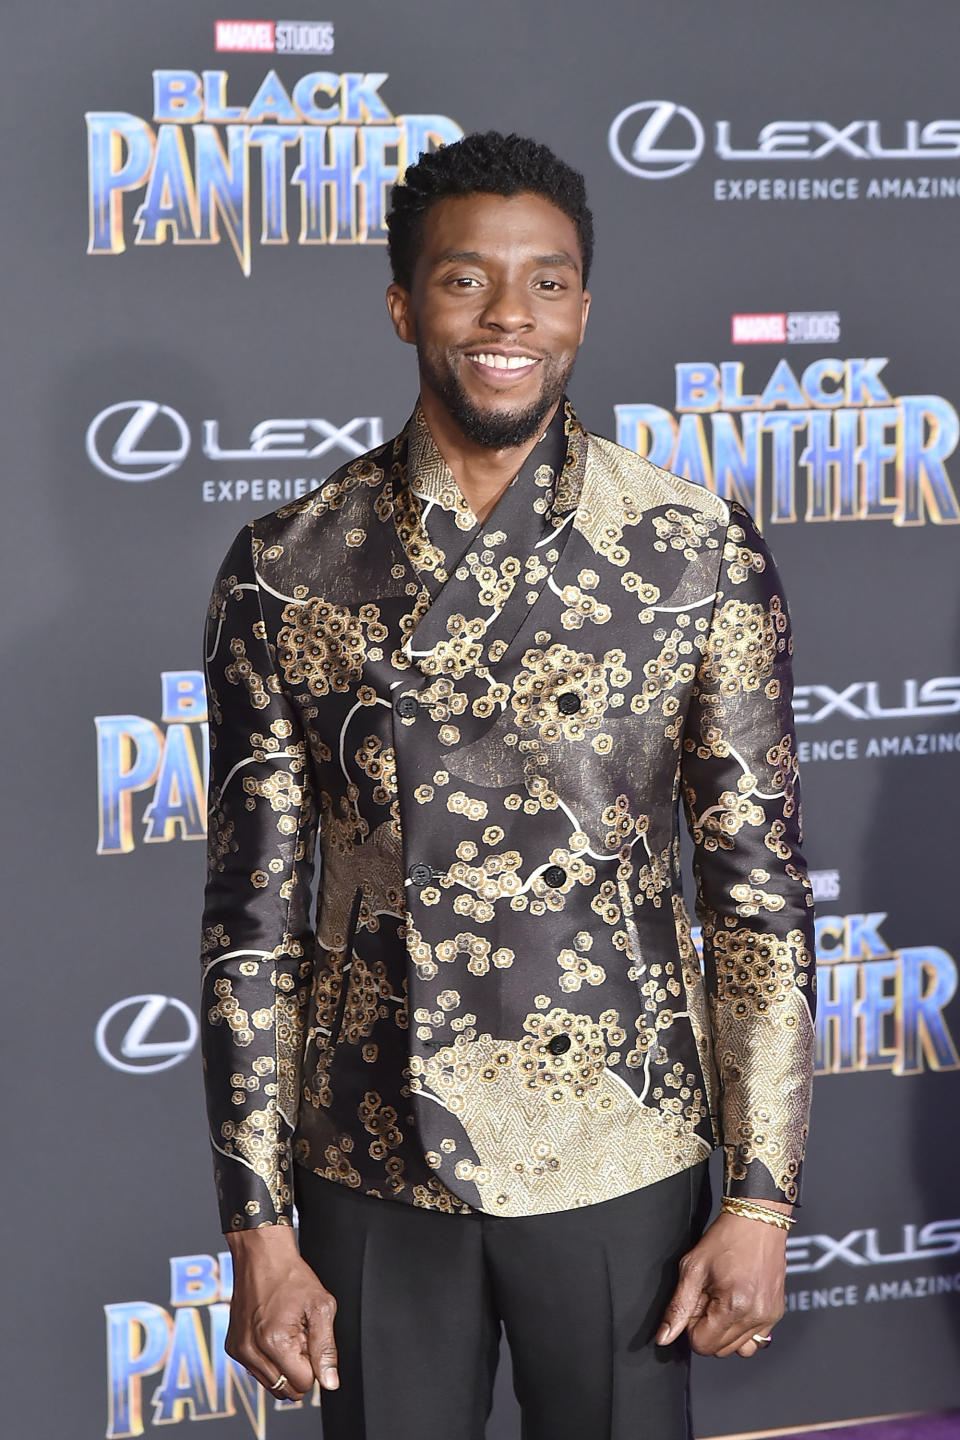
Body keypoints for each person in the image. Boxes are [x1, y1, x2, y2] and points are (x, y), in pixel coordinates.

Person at [200, 130, 816, 1440]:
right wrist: (256, 1221)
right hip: (370, 1156)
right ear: (403, 303)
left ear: (584, 307)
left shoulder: (694, 549)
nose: (507, 317)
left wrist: (761, 1196)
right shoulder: (287, 564)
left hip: (621, 1149)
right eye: (466, 280)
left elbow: (757, 900)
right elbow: (249, 928)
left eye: (546, 282)